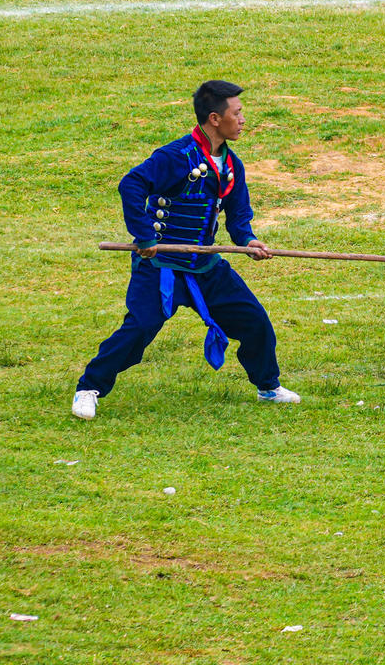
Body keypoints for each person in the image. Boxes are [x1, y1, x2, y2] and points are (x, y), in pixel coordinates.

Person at [72, 81, 298, 419]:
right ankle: (88, 388)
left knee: (254, 320)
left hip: (205, 265)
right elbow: (131, 184)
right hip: (161, 264)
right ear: (214, 119)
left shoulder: (232, 165)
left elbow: (237, 216)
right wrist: (144, 237)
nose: (242, 120)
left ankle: (268, 386)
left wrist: (248, 240)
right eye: (236, 113)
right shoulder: (176, 156)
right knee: (140, 327)